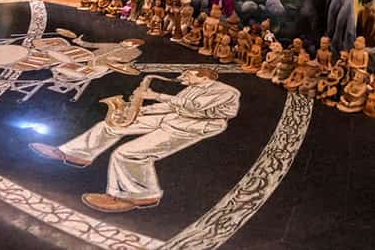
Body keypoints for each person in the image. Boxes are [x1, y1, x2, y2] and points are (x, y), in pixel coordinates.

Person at [29, 69, 239, 213]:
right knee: (109, 125)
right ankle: (75, 154)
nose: (182, 77)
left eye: (188, 74)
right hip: (174, 117)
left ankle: (139, 195)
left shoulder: (226, 91)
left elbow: (194, 107)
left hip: (194, 126)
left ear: (203, 77)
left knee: (127, 153)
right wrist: (140, 109)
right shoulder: (193, 87)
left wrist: (156, 95)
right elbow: (174, 106)